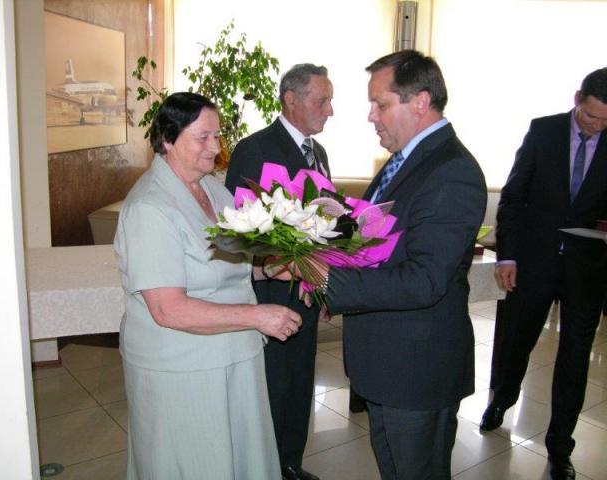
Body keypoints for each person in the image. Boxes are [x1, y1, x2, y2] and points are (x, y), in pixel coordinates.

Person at [299, 50, 487, 479]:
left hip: (417, 370)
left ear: (419, 102)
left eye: (380, 104)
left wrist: (332, 282)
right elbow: (374, 244)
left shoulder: (451, 172)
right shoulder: (406, 160)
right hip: (388, 363)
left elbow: (425, 279)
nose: (371, 116)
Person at [114, 92, 302, 480]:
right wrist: (257, 316)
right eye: (203, 137)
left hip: (233, 354)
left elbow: (225, 265)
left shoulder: (215, 190)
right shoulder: (149, 208)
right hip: (182, 368)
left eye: (217, 136)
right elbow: (168, 309)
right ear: (168, 139)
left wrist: (269, 270)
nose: (216, 148)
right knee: (194, 462)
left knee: (237, 457)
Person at [480, 68, 607, 480]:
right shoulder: (544, 131)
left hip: (587, 269)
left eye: (606, 121)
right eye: (591, 116)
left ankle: (559, 448)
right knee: (518, 340)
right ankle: (502, 399)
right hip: (534, 262)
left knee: (575, 359)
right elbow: (514, 197)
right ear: (577, 99)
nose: (597, 127)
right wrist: (507, 257)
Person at [225, 63, 333, 480]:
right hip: (269, 294)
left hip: (306, 291)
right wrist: (279, 264)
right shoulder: (255, 149)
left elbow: (322, 224)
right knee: (273, 386)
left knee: (301, 384)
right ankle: (266, 467)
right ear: (291, 99)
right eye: (321, 100)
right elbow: (238, 230)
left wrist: (323, 285)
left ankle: (290, 462)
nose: (329, 110)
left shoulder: (318, 153)